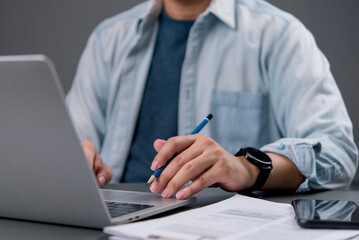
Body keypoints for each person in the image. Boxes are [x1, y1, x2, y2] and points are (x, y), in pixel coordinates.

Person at [66, 0, 358, 200]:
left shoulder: (278, 35)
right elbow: (65, 149)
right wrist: (76, 155)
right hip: (113, 223)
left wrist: (246, 167)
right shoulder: (108, 38)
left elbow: (338, 152)